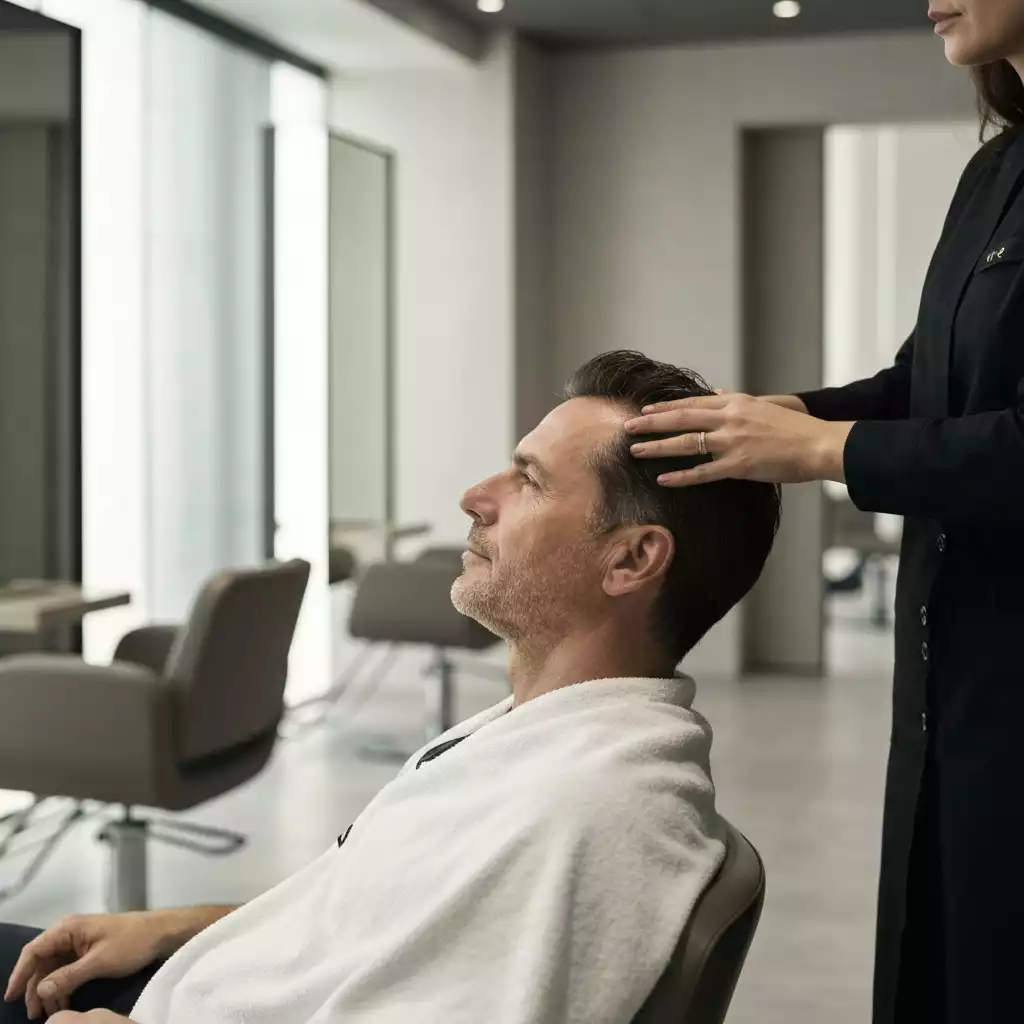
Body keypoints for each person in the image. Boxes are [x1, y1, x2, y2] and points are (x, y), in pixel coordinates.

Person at [1, 352, 780, 1024]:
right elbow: (388, 930)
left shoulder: (595, 811)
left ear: (632, 560)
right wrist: (188, 927)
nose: (477, 496)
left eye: (530, 482)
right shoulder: (544, 737)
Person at [622, 5, 1024, 1023]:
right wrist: (776, 417)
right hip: (948, 670)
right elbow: (921, 383)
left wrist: (823, 451)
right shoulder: (992, 173)